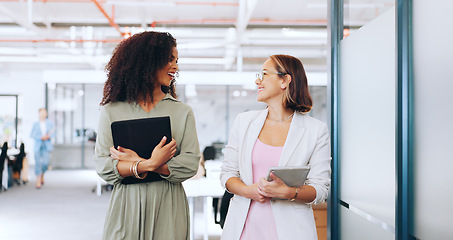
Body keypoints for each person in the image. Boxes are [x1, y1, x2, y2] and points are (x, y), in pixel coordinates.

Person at [94, 31, 201, 240]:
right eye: (170, 59)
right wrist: (149, 164)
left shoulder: (182, 112)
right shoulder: (111, 111)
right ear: (147, 61)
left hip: (168, 205)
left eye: (177, 61)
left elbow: (189, 164)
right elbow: (104, 167)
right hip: (127, 205)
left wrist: (137, 165)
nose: (176, 67)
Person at [220, 55, 332, 240]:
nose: (258, 80)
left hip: (291, 231)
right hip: (244, 228)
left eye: (264, 74)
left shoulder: (315, 131)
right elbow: (227, 174)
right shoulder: (244, 122)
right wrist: (250, 191)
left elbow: (320, 189)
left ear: (285, 81)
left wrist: (288, 192)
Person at [30, 108, 54, 189]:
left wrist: (48, 136)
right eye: (41, 112)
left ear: (46, 114)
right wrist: (40, 137)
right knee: (38, 163)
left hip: (46, 145)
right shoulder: (35, 124)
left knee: (45, 163)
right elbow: (31, 135)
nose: (43, 114)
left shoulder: (50, 123)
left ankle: (42, 174)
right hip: (38, 145)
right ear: (39, 114)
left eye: (44, 112)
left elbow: (54, 133)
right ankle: (38, 181)